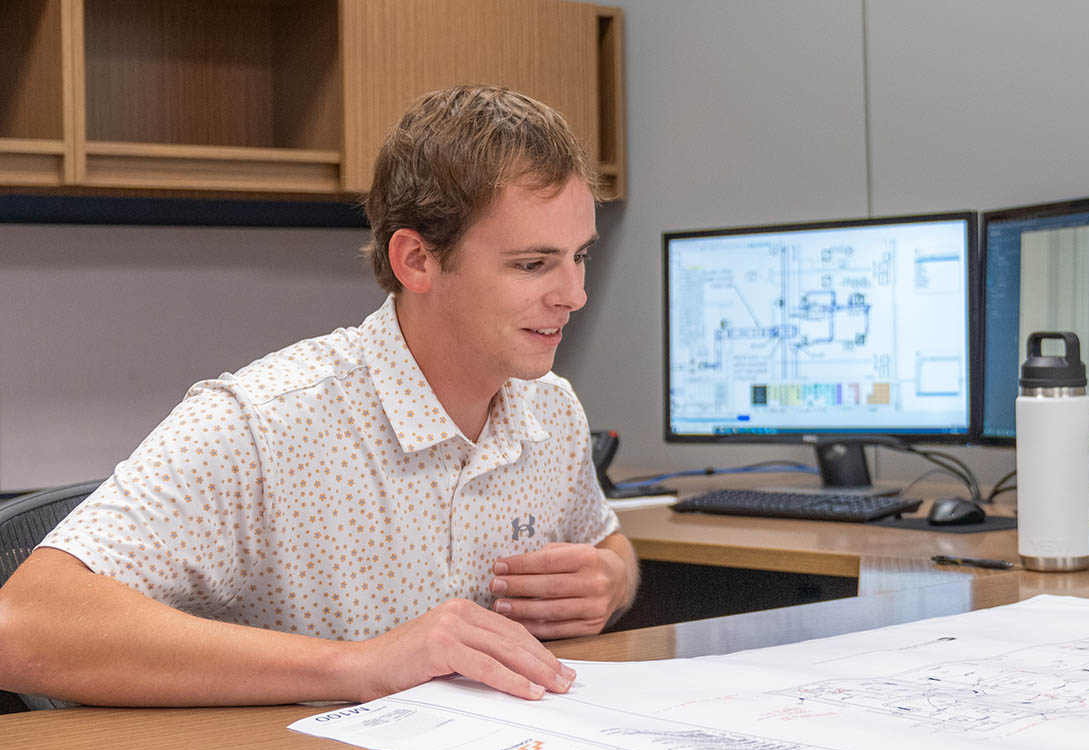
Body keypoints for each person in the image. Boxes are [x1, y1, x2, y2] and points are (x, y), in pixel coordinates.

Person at [0, 86, 637, 708]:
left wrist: (613, 579)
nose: (575, 294)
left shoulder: (550, 408)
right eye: (533, 264)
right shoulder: (263, 422)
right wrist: (359, 667)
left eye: (579, 256)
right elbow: (22, 624)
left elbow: (605, 541)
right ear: (417, 261)